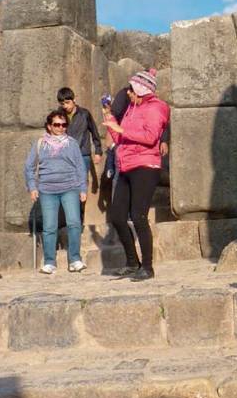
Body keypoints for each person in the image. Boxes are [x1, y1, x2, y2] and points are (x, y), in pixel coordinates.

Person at [102, 69, 170, 281]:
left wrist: (121, 131)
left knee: (138, 215)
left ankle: (147, 267)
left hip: (145, 166)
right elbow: (120, 138)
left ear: (140, 90)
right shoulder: (132, 108)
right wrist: (109, 117)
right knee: (117, 217)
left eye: (131, 90)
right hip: (126, 165)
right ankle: (132, 262)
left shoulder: (157, 108)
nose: (128, 94)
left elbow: (150, 137)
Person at [24, 110, 89, 274]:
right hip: (47, 190)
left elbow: (80, 167)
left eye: (64, 125)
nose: (61, 128)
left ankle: (75, 259)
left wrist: (82, 189)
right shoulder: (40, 144)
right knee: (50, 226)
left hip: (70, 188)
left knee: (74, 223)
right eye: (57, 125)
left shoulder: (72, 143)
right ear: (49, 126)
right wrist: (32, 187)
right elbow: (29, 167)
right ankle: (49, 261)